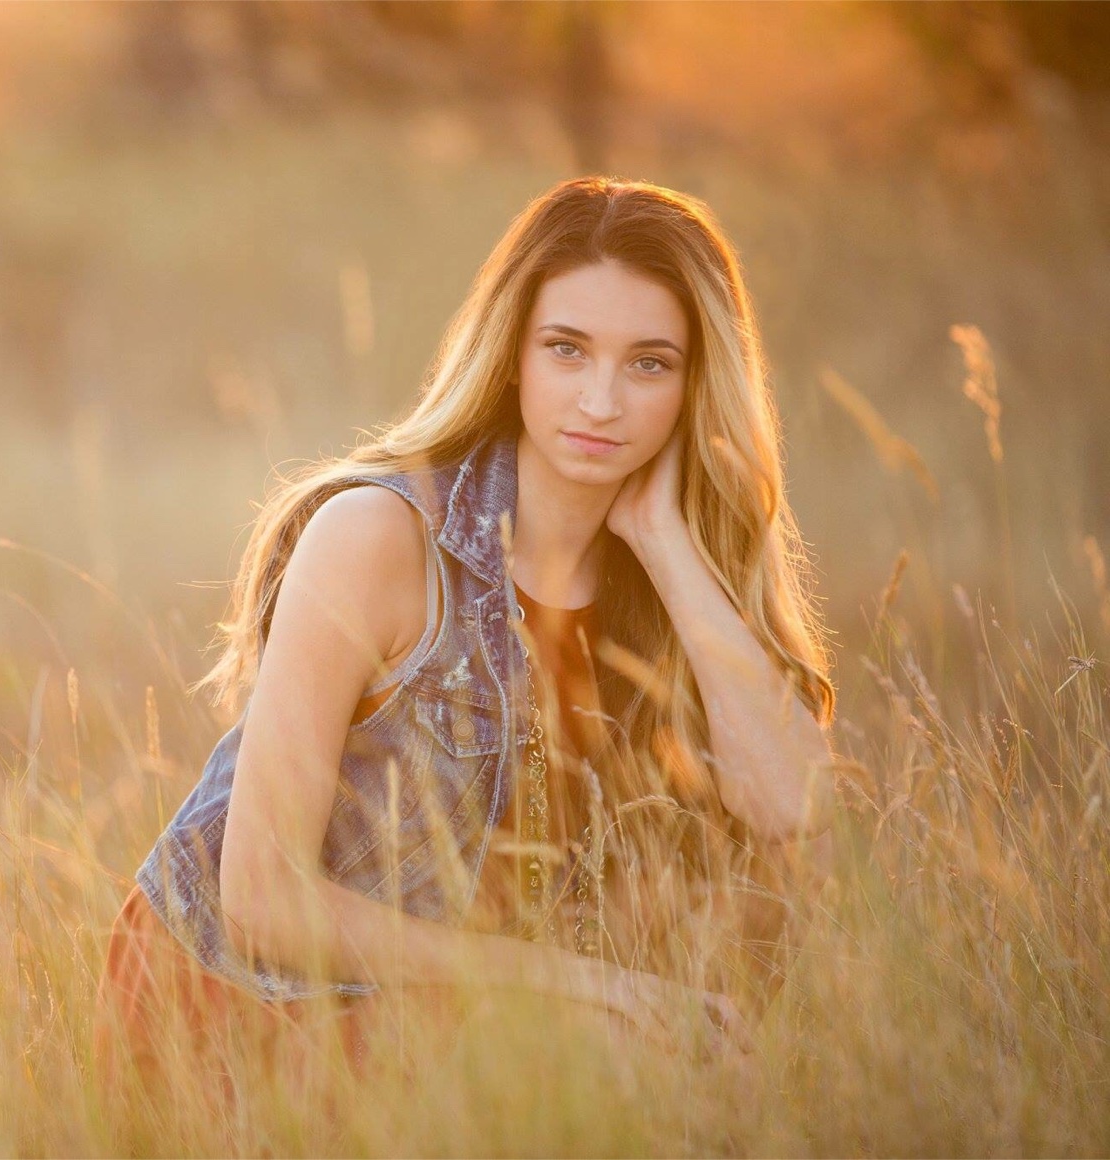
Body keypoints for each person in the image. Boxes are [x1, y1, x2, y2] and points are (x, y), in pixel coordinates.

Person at [92, 176, 839, 1108]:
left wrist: (669, 546)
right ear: (514, 356)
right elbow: (260, 898)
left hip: (467, 1011)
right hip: (250, 1004)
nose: (600, 401)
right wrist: (581, 988)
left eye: (650, 364)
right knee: (620, 1063)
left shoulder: (675, 588)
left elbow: (795, 813)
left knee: (736, 1080)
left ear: (699, 385)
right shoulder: (379, 538)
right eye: (567, 350)